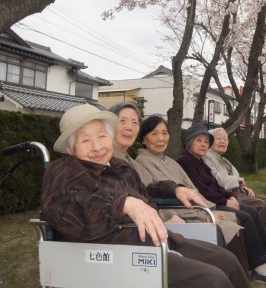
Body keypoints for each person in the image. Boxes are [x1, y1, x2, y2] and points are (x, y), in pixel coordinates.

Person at [40, 104, 250, 288]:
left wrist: (175, 189)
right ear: (69, 148)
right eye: (85, 140)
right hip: (121, 255)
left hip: (160, 239)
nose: (97, 146)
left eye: (102, 136)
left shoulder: (119, 166)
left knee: (228, 261)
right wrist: (122, 204)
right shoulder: (64, 170)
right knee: (214, 280)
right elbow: (63, 207)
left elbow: (146, 190)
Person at [108, 103, 242, 251]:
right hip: (151, 230)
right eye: (123, 121)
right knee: (226, 234)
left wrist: (209, 205)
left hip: (180, 214)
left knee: (239, 221)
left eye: (134, 122)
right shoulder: (115, 163)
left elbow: (188, 189)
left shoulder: (136, 163)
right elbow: (151, 197)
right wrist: (199, 211)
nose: (129, 127)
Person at [177, 123, 266, 286]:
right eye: (199, 140)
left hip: (217, 200)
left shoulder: (200, 161)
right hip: (208, 205)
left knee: (252, 212)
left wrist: (228, 197)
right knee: (245, 217)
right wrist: (225, 200)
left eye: (206, 141)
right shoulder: (185, 161)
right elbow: (201, 190)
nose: (203, 144)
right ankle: (259, 267)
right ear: (189, 142)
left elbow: (216, 185)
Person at [204, 127, 266, 238]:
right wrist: (237, 181)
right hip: (228, 196)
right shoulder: (207, 157)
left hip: (238, 193)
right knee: (261, 205)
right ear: (210, 141)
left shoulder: (223, 159)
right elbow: (218, 181)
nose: (223, 141)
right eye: (219, 139)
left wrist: (245, 188)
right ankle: (258, 239)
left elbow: (238, 180)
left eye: (225, 139)